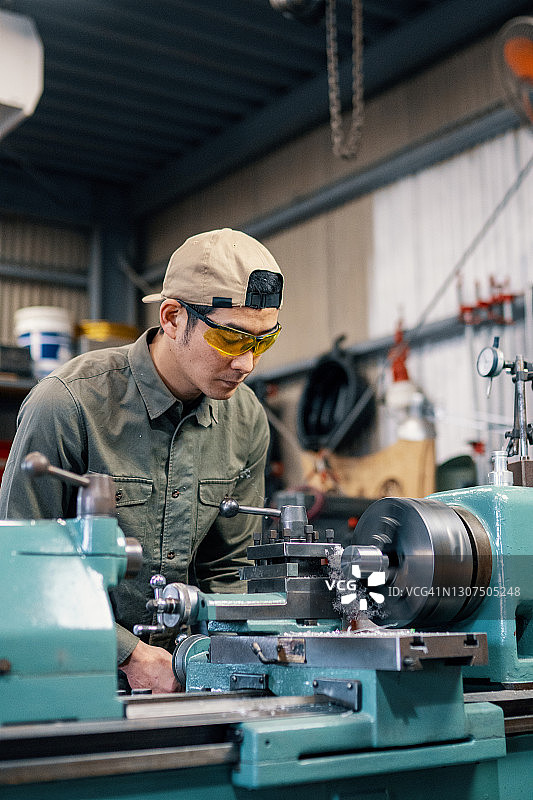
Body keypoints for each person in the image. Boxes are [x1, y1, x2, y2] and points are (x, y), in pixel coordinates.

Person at [0, 228, 284, 693]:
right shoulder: (67, 404)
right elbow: (19, 566)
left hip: (185, 679)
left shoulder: (247, 419)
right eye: (231, 340)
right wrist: (127, 654)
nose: (246, 364)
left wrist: (234, 656)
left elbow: (227, 571)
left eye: (263, 342)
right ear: (172, 317)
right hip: (70, 674)